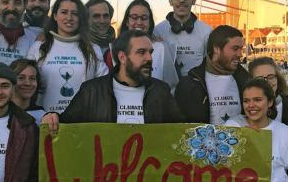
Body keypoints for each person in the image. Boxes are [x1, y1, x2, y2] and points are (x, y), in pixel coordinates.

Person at [41, 29, 183, 126]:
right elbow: (67, 127)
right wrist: (53, 117)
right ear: (122, 57)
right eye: (141, 52)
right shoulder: (91, 91)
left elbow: (179, 132)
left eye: (150, 52)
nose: (149, 58)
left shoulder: (160, 91)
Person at [27, 0, 108, 114]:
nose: (69, 18)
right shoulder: (38, 48)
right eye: (64, 12)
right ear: (54, 15)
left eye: (75, 14)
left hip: (82, 121)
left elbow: (104, 85)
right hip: (45, 119)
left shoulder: (93, 49)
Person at [174, 25, 250, 124]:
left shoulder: (246, 80)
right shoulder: (189, 84)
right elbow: (179, 124)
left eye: (241, 49)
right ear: (216, 49)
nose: (240, 54)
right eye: (235, 49)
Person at [154, 0, 212, 78]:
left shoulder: (207, 32)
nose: (181, 0)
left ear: (193, 0)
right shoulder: (158, 31)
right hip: (166, 91)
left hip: (195, 90)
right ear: (170, 1)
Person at [119, 0, 179, 93]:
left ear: (150, 22)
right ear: (127, 21)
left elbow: (172, 88)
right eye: (134, 17)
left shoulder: (162, 49)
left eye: (144, 18)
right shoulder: (114, 49)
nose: (139, 22)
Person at [10, 58, 45, 124]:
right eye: (21, 78)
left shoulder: (43, 116)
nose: (28, 83)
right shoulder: (0, 113)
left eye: (32, 78)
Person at [86, 0, 116, 65]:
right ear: (86, 20)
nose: (102, 21)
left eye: (106, 16)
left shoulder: (119, 47)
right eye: (96, 16)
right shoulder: (78, 47)